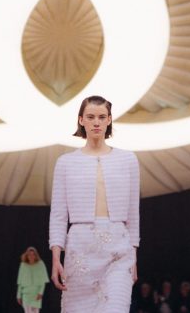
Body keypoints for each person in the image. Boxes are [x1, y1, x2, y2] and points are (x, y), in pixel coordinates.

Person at [49, 95, 140, 312]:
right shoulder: (66, 163)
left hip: (119, 249)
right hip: (80, 249)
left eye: (101, 117)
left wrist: (134, 255)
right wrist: (56, 257)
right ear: (81, 120)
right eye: (90, 117)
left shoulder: (128, 160)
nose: (96, 122)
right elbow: (59, 214)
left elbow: (133, 213)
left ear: (109, 120)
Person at [16, 246, 49, 312]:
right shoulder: (23, 265)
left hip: (36, 294)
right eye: (29, 254)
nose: (31, 256)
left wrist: (41, 292)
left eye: (33, 254)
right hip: (26, 294)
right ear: (27, 255)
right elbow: (20, 282)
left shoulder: (40, 264)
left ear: (36, 255)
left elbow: (43, 280)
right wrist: (18, 295)